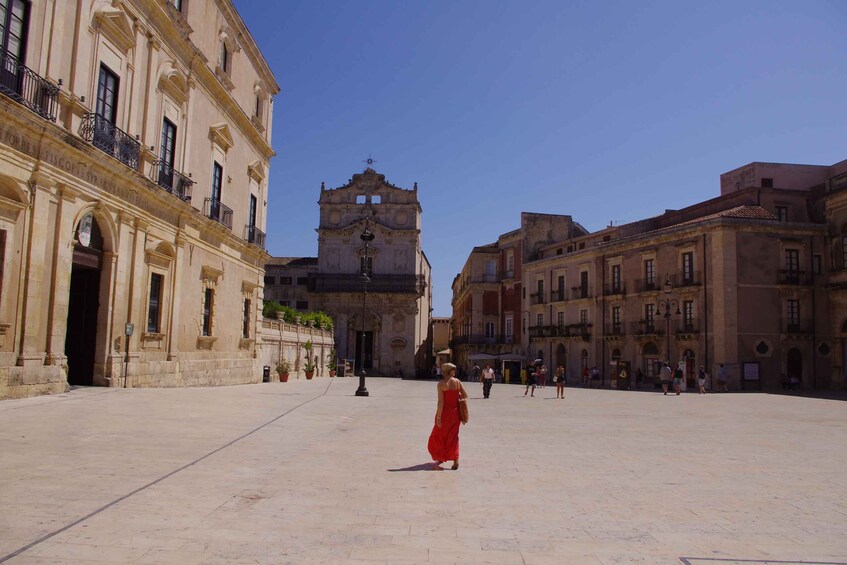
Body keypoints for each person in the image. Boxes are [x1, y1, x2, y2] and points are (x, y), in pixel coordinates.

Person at [427, 362, 467, 470]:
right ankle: (455, 460)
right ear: (450, 371)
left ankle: (441, 457)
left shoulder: (441, 384)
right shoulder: (457, 382)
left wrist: (439, 417)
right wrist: (457, 394)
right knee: (453, 437)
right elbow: (465, 395)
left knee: (439, 436)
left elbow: (440, 402)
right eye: (453, 370)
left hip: (444, 413)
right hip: (455, 414)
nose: (455, 372)